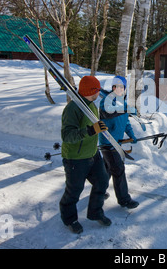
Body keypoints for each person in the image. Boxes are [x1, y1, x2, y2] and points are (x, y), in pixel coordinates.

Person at [59, 75, 111, 234]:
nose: (99, 92)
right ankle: (70, 219)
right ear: (92, 91)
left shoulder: (91, 104)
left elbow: (94, 123)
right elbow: (67, 136)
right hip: (75, 158)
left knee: (102, 181)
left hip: (92, 154)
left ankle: (95, 212)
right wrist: (90, 130)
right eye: (97, 90)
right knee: (74, 191)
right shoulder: (73, 109)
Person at [99, 76, 139, 209]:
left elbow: (126, 121)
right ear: (112, 88)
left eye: (122, 87)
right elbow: (109, 114)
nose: (119, 89)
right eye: (116, 86)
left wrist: (131, 135)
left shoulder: (123, 103)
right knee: (118, 169)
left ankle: (99, 191)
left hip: (117, 142)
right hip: (107, 142)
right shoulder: (105, 102)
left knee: (108, 169)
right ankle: (124, 200)